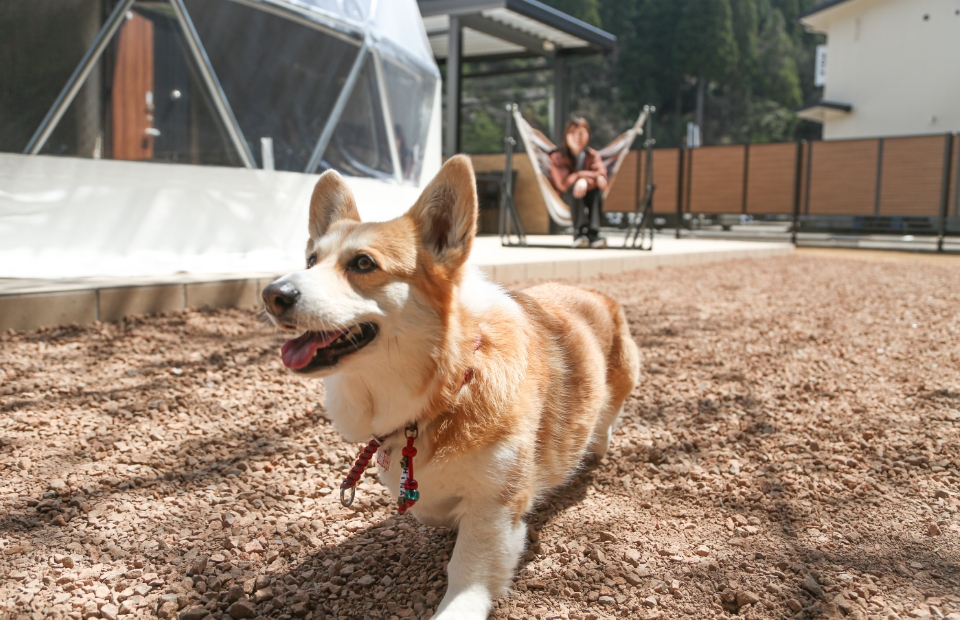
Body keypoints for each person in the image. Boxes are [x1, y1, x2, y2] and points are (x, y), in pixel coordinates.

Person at [548, 117, 608, 248]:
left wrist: (585, 181)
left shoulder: (592, 155)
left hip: (588, 195)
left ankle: (593, 234)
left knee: (597, 190)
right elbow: (564, 183)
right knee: (575, 188)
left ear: (588, 135)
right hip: (566, 197)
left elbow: (601, 173)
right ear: (566, 135)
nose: (577, 137)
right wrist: (582, 179)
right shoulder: (557, 156)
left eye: (581, 133)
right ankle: (579, 233)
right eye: (573, 133)